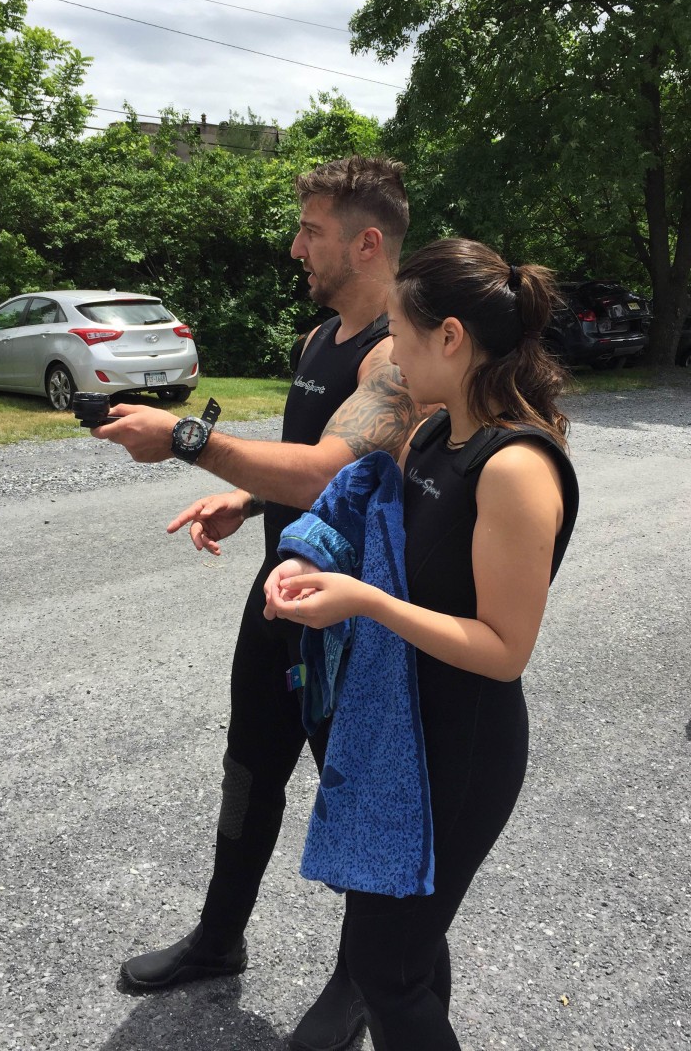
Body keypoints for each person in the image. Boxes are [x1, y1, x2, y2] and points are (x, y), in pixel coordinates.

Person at [92, 156, 425, 1051]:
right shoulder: (319, 339)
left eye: (310, 231)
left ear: (366, 243)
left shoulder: (398, 353)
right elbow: (311, 467)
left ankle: (360, 982)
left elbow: (324, 472)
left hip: (349, 617)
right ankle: (219, 937)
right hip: (279, 590)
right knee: (249, 767)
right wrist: (244, 500)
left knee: (358, 797)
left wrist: (186, 438)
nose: (294, 248)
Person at [262, 238, 579, 1050]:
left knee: (385, 968)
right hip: (405, 734)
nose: (391, 354)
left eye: (400, 333)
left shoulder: (514, 468)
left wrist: (367, 602)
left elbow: (505, 649)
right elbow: (356, 500)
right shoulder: (436, 436)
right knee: (409, 948)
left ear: (450, 337)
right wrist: (305, 555)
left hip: (461, 750)